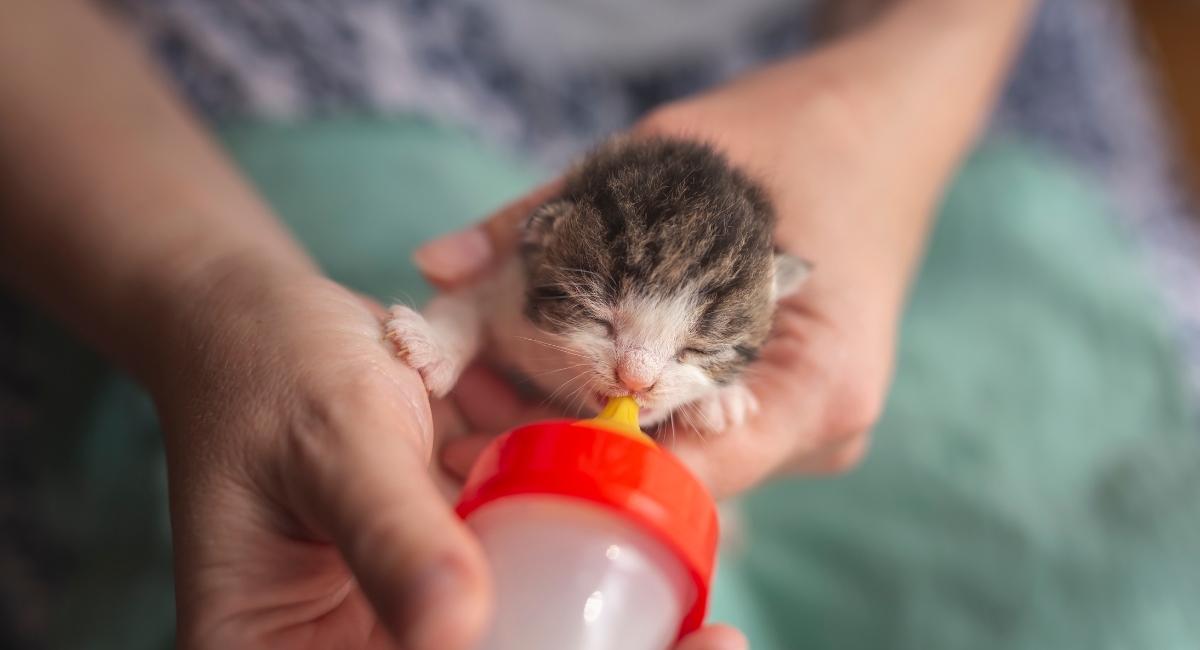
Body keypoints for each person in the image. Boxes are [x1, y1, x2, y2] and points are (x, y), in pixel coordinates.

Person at [0, 0, 1037, 648]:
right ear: (550, 240)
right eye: (605, 316)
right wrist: (230, 309)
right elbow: (475, 308)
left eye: (683, 352)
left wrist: (872, 119)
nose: (635, 372)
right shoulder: (533, 267)